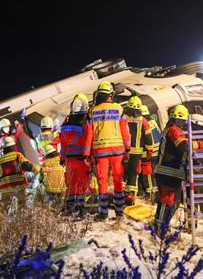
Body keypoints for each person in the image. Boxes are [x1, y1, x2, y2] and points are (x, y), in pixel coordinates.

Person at [154, 104, 203, 233]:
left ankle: (161, 225)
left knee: (172, 201)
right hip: (168, 172)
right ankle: (160, 227)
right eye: (183, 121)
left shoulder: (169, 129)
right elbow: (183, 147)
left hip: (169, 171)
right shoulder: (174, 130)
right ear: (179, 119)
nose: (184, 124)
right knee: (167, 201)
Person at [87, 81, 131, 221]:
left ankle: (103, 212)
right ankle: (119, 213)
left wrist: (87, 153)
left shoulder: (92, 111)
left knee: (102, 181)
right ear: (111, 95)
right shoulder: (119, 109)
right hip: (118, 150)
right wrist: (127, 149)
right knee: (118, 180)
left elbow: (88, 135)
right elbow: (125, 131)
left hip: (100, 151)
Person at [0, 136, 50, 210]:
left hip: (5, 190)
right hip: (19, 188)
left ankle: (3, 220)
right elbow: (29, 167)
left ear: (3, 148)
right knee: (22, 208)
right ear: (13, 146)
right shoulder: (17, 156)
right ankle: (22, 220)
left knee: (3, 209)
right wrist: (43, 170)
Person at [60, 93, 92, 218]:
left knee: (71, 185)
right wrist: (87, 156)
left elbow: (63, 146)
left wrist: (62, 159)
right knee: (83, 185)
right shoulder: (85, 122)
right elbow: (87, 140)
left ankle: (68, 208)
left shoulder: (65, 124)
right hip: (82, 160)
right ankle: (81, 209)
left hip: (69, 160)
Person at [123, 96, 154, 205]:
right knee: (133, 174)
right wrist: (150, 150)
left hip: (123, 151)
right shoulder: (143, 121)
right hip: (136, 153)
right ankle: (130, 198)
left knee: (122, 173)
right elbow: (148, 138)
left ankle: (118, 195)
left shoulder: (122, 118)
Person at [140, 104, 161, 201]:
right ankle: (155, 192)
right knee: (155, 174)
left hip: (149, 153)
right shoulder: (153, 122)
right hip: (158, 152)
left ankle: (149, 194)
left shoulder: (142, 124)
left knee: (147, 173)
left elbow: (145, 140)